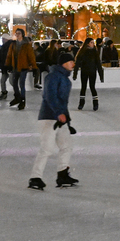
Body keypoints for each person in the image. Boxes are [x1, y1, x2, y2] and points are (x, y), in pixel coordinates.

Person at [28, 52, 78, 190]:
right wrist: (58, 113)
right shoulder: (53, 77)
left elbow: (63, 102)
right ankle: (35, 178)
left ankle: (62, 175)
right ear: (63, 63)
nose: (73, 64)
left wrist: (67, 121)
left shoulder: (65, 79)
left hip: (60, 119)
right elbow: (49, 96)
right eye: (71, 61)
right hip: (49, 117)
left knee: (66, 146)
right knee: (47, 149)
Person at [6, 29, 39, 111]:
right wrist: (8, 65)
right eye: (16, 33)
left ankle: (22, 101)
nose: (17, 35)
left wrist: (34, 67)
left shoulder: (26, 45)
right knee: (14, 83)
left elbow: (31, 57)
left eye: (19, 33)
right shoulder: (13, 44)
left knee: (21, 84)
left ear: (22, 34)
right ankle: (17, 97)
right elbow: (9, 55)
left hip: (23, 67)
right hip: (15, 67)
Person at [73, 37, 104, 111]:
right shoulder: (82, 52)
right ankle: (81, 103)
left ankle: (95, 103)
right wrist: (75, 74)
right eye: (91, 42)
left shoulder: (95, 52)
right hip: (84, 72)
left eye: (93, 43)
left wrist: (101, 75)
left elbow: (98, 64)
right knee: (83, 87)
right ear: (87, 43)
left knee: (92, 87)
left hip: (92, 72)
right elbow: (77, 63)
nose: (93, 44)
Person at [0, 34, 14, 100]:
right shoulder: (4, 47)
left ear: (6, 39)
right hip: (6, 67)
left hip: (9, 67)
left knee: (11, 81)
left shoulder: (10, 46)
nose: (2, 40)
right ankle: (4, 93)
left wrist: (9, 66)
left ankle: (17, 93)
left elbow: (8, 57)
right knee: (3, 80)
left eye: (3, 39)